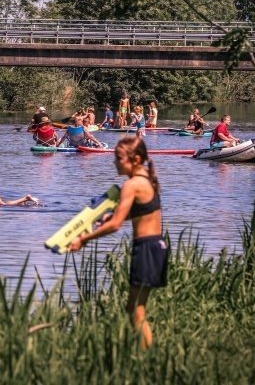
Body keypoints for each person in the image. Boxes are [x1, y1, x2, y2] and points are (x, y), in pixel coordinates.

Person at [68, 136, 169, 350]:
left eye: (119, 158)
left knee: (136, 310)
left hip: (147, 249)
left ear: (136, 159)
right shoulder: (147, 179)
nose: (114, 162)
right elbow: (143, 212)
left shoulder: (131, 185)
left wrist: (82, 239)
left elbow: (115, 225)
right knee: (133, 307)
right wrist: (116, 214)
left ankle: (147, 358)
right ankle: (145, 355)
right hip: (156, 246)